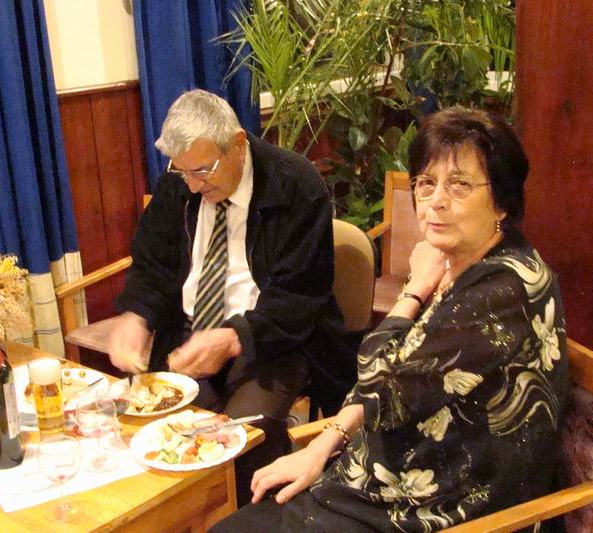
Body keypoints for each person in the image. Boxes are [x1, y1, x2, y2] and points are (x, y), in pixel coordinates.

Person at [212, 107, 569, 532]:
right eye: (426, 183)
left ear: (502, 202)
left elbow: (381, 386)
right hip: (385, 477)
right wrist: (323, 445)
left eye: (459, 184)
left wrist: (414, 290)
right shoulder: (467, 264)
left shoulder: (503, 290)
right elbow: (392, 377)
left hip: (439, 508)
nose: (436, 200)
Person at [108, 90, 355, 504]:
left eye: (202, 170)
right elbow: (152, 264)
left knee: (239, 438)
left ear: (238, 143)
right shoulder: (180, 184)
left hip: (272, 341)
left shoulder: (294, 184)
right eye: (182, 171)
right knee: (162, 432)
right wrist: (136, 316)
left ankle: (257, 518)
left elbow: (299, 295)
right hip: (189, 336)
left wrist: (233, 337)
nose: (192, 184)